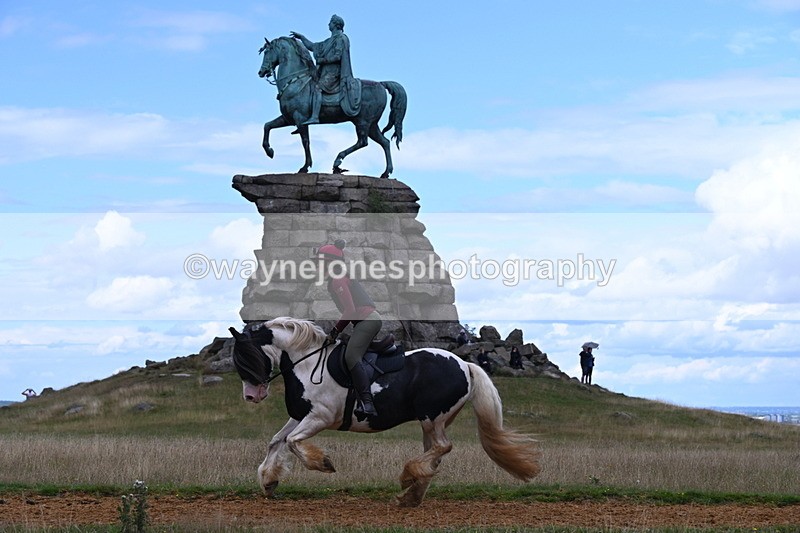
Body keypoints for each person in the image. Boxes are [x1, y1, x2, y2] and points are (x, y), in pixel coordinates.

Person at [318, 239, 381, 416]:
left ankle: (367, 403)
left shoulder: (338, 280)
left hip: (368, 320)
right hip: (364, 321)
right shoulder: (338, 278)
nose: (318, 266)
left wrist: (335, 331)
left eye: (321, 262)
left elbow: (350, 311)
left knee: (351, 356)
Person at [290, 14, 361, 125]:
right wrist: (302, 37)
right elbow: (312, 46)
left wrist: (322, 60)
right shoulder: (329, 41)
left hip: (334, 73)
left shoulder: (341, 38)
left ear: (336, 25)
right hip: (325, 72)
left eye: (330, 22)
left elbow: (338, 57)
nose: (328, 24)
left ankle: (315, 116)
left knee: (317, 88)